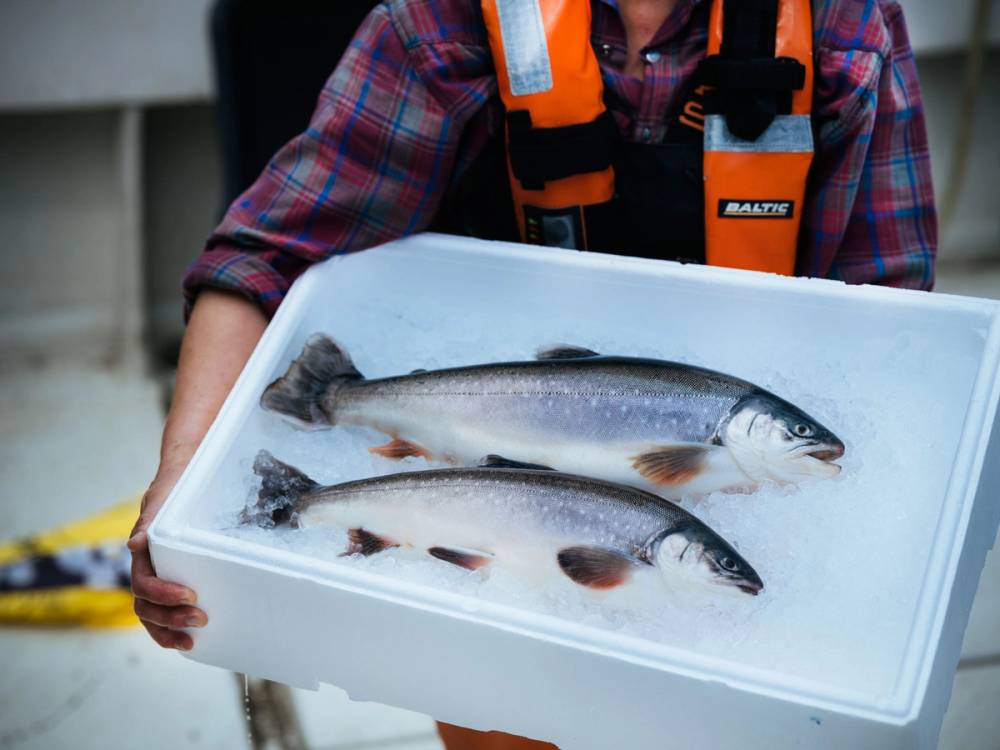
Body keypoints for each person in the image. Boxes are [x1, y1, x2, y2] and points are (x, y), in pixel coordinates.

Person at [128, 0, 935, 747]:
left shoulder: (846, 26)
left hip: (740, 560)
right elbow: (264, 256)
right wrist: (182, 486)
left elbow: (894, 329)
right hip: (493, 575)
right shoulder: (437, 22)